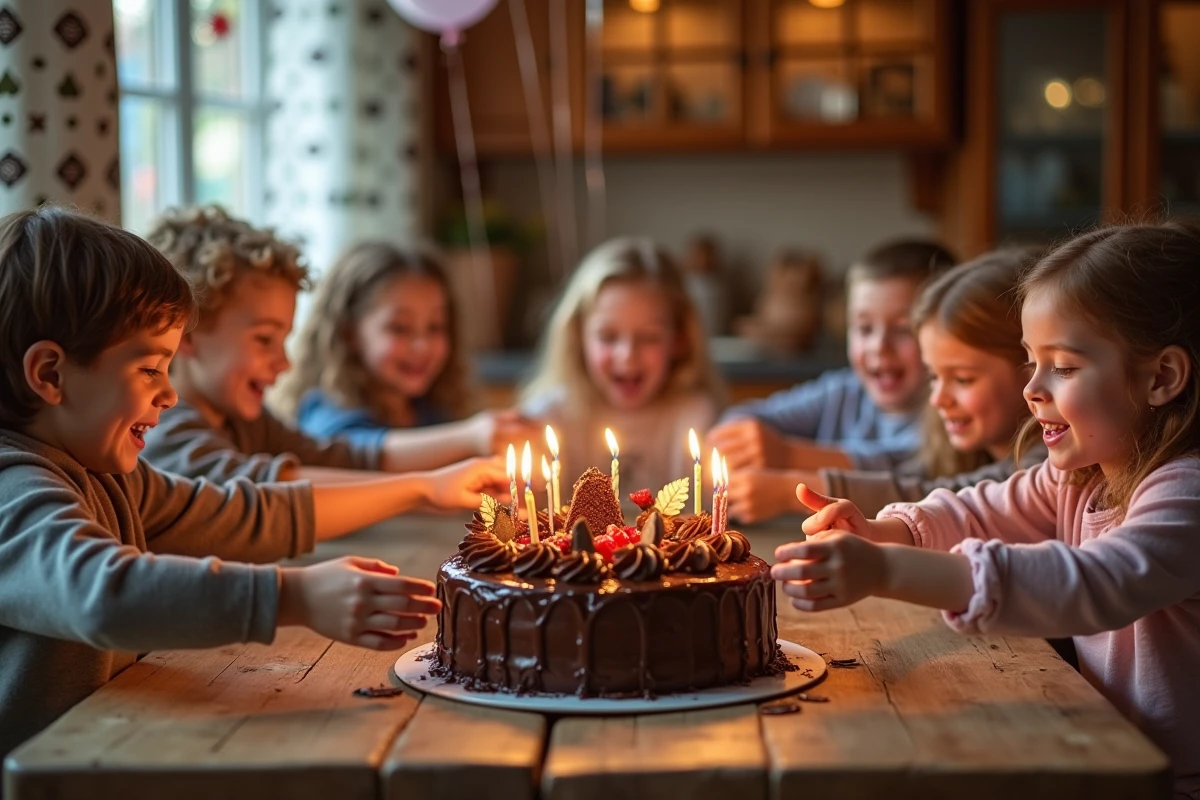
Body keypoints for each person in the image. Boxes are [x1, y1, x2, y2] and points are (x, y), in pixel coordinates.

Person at [0, 208, 499, 763]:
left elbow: (247, 512)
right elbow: (103, 593)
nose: (168, 395)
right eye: (149, 370)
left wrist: (423, 490)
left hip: (109, 748)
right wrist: (294, 594)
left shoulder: (109, 476)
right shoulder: (13, 488)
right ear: (49, 373)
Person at [772, 221, 1200, 794]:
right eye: (1031, 362)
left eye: (1064, 366)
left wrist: (887, 571)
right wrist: (884, 531)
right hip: (1104, 752)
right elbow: (981, 509)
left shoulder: (1186, 494)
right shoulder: (1078, 476)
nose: (1033, 389)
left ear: (1162, 377)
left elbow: (1094, 584)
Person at [141, 206, 517, 483]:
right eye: (264, 339)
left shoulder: (246, 421)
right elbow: (267, 488)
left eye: (284, 339)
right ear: (187, 334)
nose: (283, 363)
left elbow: (344, 458)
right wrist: (425, 486)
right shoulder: (163, 428)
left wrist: (474, 439)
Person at [729, 248, 1043, 521]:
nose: (936, 400)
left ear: (1031, 368)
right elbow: (909, 480)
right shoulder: (846, 391)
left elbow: (931, 495)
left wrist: (789, 487)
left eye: (962, 378)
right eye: (934, 376)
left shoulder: (1047, 463)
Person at [709, 238, 956, 474]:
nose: (879, 346)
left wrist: (787, 456)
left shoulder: (951, 415)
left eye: (904, 329)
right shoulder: (842, 393)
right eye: (864, 328)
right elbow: (747, 416)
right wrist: (738, 438)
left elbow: (901, 473)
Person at [275, 241, 539, 457]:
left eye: (435, 326)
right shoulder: (327, 412)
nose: (422, 346)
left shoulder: (432, 411)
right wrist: (471, 438)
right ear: (349, 334)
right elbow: (349, 454)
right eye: (399, 328)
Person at [520, 237, 725, 494]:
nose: (628, 355)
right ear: (577, 336)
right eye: (607, 337)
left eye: (649, 337)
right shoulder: (550, 417)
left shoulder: (697, 418)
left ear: (680, 339)